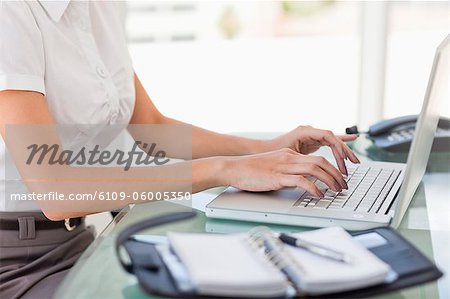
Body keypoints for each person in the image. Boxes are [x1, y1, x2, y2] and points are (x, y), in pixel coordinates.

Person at [0, 1, 359, 298]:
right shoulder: (11, 15)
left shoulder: (97, 7)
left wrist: (263, 151)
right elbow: (55, 190)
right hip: (16, 264)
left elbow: (151, 129)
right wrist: (222, 170)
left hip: (77, 242)